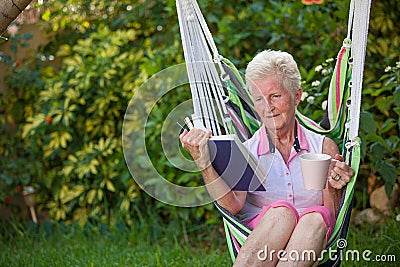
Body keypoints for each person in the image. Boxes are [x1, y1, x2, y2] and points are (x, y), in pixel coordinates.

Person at [179, 50, 354, 267]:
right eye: (259, 99)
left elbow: (332, 214)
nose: (267, 107)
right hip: (263, 241)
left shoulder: (322, 147)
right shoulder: (245, 152)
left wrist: (333, 186)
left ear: (297, 96)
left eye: (275, 96)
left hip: (311, 238)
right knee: (281, 213)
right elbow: (231, 207)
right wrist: (203, 162)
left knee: (315, 218)